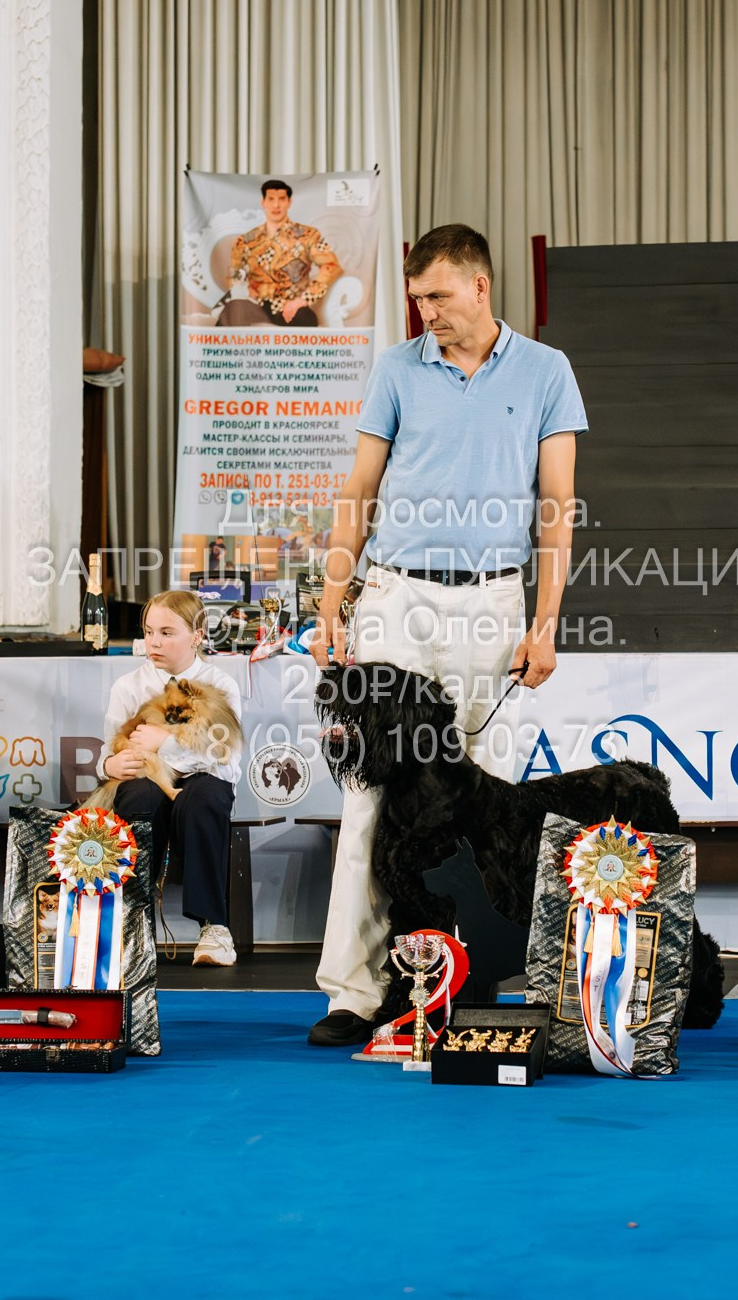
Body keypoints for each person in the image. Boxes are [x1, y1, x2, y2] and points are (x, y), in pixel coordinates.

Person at [306, 223, 586, 1046]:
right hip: (393, 600)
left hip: (495, 607)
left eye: (438, 295)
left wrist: (545, 626)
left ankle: (465, 979)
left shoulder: (546, 371)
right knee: (368, 798)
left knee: (485, 800)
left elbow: (556, 507)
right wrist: (332, 597)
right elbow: (358, 486)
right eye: (417, 297)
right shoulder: (397, 367)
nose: (426, 311)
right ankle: (352, 991)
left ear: (480, 287)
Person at [97, 590, 244, 966]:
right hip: (146, 779)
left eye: (166, 632)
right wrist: (108, 767)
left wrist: (167, 745)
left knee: (206, 797)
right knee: (138, 797)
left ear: (197, 634)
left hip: (202, 780)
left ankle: (214, 927)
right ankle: (134, 923)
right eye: (148, 632)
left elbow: (226, 765)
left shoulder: (221, 685)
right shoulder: (128, 687)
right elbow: (107, 752)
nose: (154, 642)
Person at [216, 179, 343, 328]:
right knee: (234, 308)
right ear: (263, 202)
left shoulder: (307, 235)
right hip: (257, 307)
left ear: (289, 202)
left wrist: (303, 300)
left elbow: (331, 266)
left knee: (302, 317)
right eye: (271, 199)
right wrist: (245, 289)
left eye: (282, 199)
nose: (276, 205)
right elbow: (235, 274)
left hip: (293, 308)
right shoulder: (245, 241)